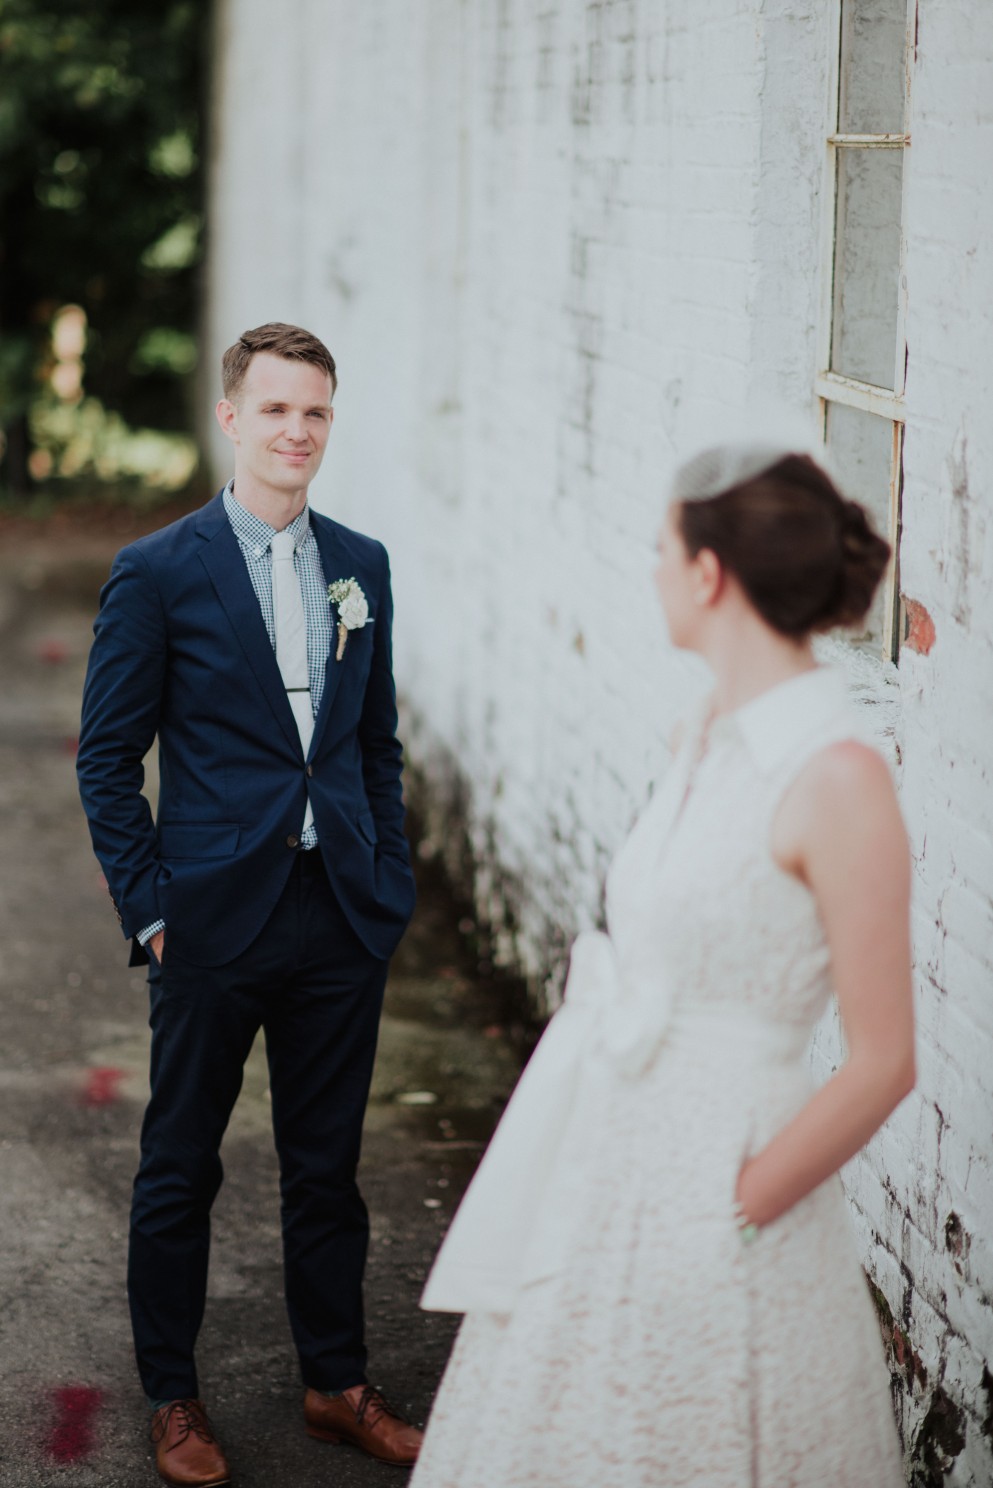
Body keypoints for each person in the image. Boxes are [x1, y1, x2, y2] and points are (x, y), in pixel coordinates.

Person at [411, 441, 915, 1487]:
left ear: (707, 574)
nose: (649, 569)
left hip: (730, 1198)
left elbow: (884, 1061)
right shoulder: (707, 731)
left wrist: (739, 1203)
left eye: (660, 548)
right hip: (610, 1163)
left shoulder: (838, 778)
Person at [77, 322, 422, 1486]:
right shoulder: (160, 570)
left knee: (327, 1171)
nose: (297, 432)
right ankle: (174, 1397)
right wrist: (151, 909)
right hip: (211, 923)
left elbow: (375, 745)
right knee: (182, 1165)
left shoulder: (361, 564)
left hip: (339, 916)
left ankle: (337, 1384)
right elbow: (107, 758)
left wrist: (391, 875)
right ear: (231, 417)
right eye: (276, 409)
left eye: (316, 412)